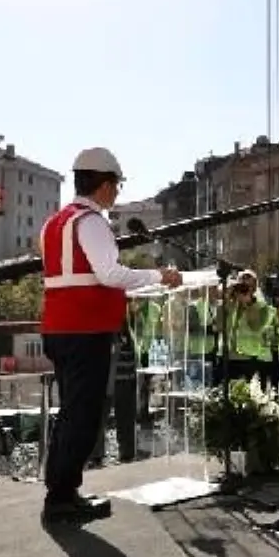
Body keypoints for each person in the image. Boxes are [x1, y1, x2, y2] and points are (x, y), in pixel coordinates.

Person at [40, 147, 182, 523]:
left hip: (59, 328)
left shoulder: (55, 222)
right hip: (86, 331)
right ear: (102, 185)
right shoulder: (91, 222)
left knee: (71, 411)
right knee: (83, 415)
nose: (117, 193)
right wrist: (158, 277)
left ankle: (60, 488)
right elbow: (110, 274)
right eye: (116, 185)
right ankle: (62, 496)